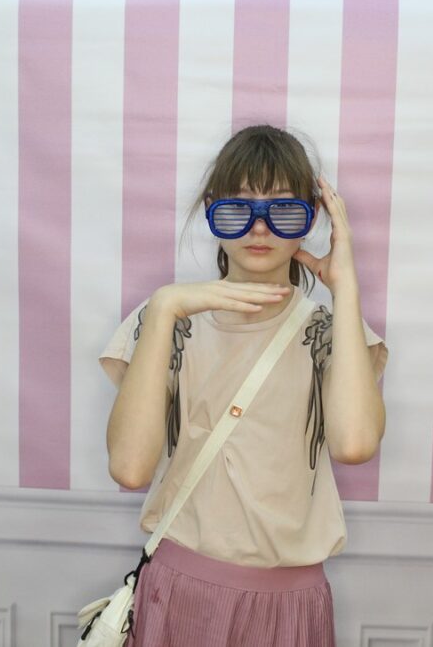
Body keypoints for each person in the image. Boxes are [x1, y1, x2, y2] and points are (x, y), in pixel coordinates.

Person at [98, 124, 389, 647]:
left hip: (291, 604)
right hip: (180, 591)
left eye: (283, 210)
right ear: (212, 209)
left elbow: (355, 444)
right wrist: (164, 307)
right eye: (237, 209)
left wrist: (345, 287)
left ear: (314, 216)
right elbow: (129, 468)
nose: (259, 228)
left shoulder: (334, 331)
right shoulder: (166, 319)